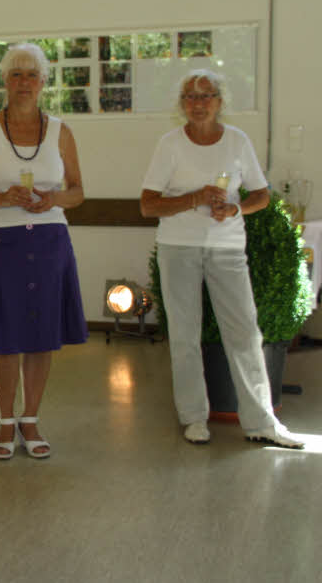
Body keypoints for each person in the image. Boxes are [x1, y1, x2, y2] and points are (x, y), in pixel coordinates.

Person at [140, 69, 302, 448]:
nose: (198, 104)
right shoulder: (169, 144)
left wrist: (234, 211)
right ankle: (194, 418)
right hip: (178, 247)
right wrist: (194, 197)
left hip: (227, 249)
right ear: (182, 105)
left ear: (220, 101)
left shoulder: (238, 141)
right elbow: (148, 205)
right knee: (184, 335)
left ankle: (262, 421)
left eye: (206, 96)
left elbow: (261, 195)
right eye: (191, 97)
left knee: (246, 333)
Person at [0, 42, 87, 460]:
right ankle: (4, 421)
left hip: (50, 240)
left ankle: (30, 418)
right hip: (4, 241)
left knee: (41, 336)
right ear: (5, 81)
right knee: (6, 337)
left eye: (32, 75)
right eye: (16, 74)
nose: (24, 83)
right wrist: (3, 198)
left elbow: (78, 193)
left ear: (44, 82)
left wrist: (53, 200)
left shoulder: (62, 131)